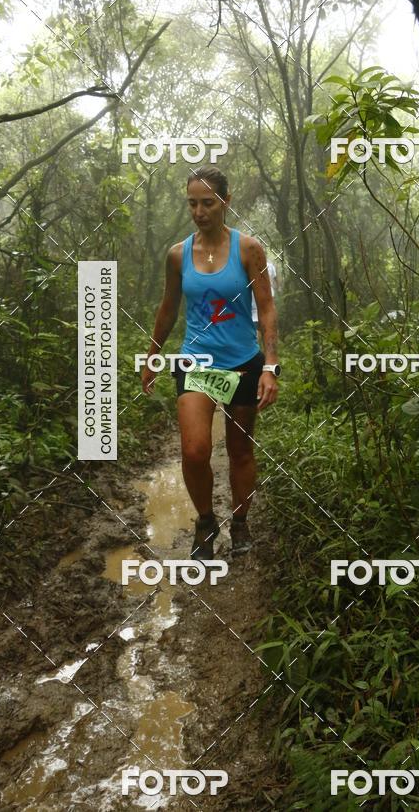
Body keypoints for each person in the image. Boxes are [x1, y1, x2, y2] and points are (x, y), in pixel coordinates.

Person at [141, 164, 280, 561]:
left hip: (243, 364)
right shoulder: (178, 255)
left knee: (240, 451)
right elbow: (168, 309)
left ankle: (241, 522)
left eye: (207, 203)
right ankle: (205, 521)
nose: (199, 212)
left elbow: (267, 309)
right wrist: (152, 355)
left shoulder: (249, 249)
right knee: (195, 451)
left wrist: (270, 366)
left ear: (226, 202)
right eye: (192, 204)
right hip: (195, 363)